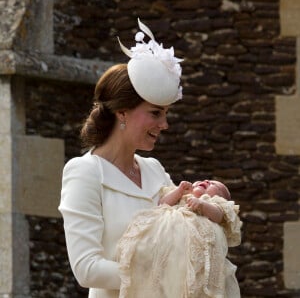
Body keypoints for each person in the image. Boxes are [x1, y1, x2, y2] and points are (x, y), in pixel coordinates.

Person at [59, 19, 183, 298]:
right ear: (122, 112)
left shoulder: (154, 170)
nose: (164, 124)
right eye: (155, 113)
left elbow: (181, 234)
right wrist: (160, 272)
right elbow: (86, 268)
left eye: (165, 114)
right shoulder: (85, 172)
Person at [116, 180, 242, 298]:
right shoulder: (182, 196)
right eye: (204, 180)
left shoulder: (213, 203)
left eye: (215, 185)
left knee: (189, 275)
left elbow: (218, 215)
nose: (207, 181)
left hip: (190, 246)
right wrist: (179, 191)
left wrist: (202, 205)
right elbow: (162, 203)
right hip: (165, 235)